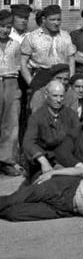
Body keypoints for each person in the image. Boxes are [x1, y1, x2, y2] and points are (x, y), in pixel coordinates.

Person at [21, 80, 80, 180]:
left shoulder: (71, 115)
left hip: (66, 158)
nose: (59, 100)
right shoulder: (37, 117)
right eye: (55, 96)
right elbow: (28, 142)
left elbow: (79, 137)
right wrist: (43, 161)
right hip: (44, 160)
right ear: (46, 95)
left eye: (61, 96)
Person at [19, 5, 76, 90]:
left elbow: (71, 60)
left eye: (58, 20)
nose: (56, 23)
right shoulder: (32, 37)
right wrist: (31, 83)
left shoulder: (66, 36)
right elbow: (23, 63)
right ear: (43, 20)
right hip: (41, 77)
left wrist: (70, 80)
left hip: (62, 77)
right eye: (52, 20)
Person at [0, 9, 23, 176]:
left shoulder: (15, 44)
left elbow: (19, 67)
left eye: (8, 26)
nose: (5, 30)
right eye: (1, 26)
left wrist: (17, 88)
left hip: (11, 82)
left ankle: (6, 160)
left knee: (11, 124)